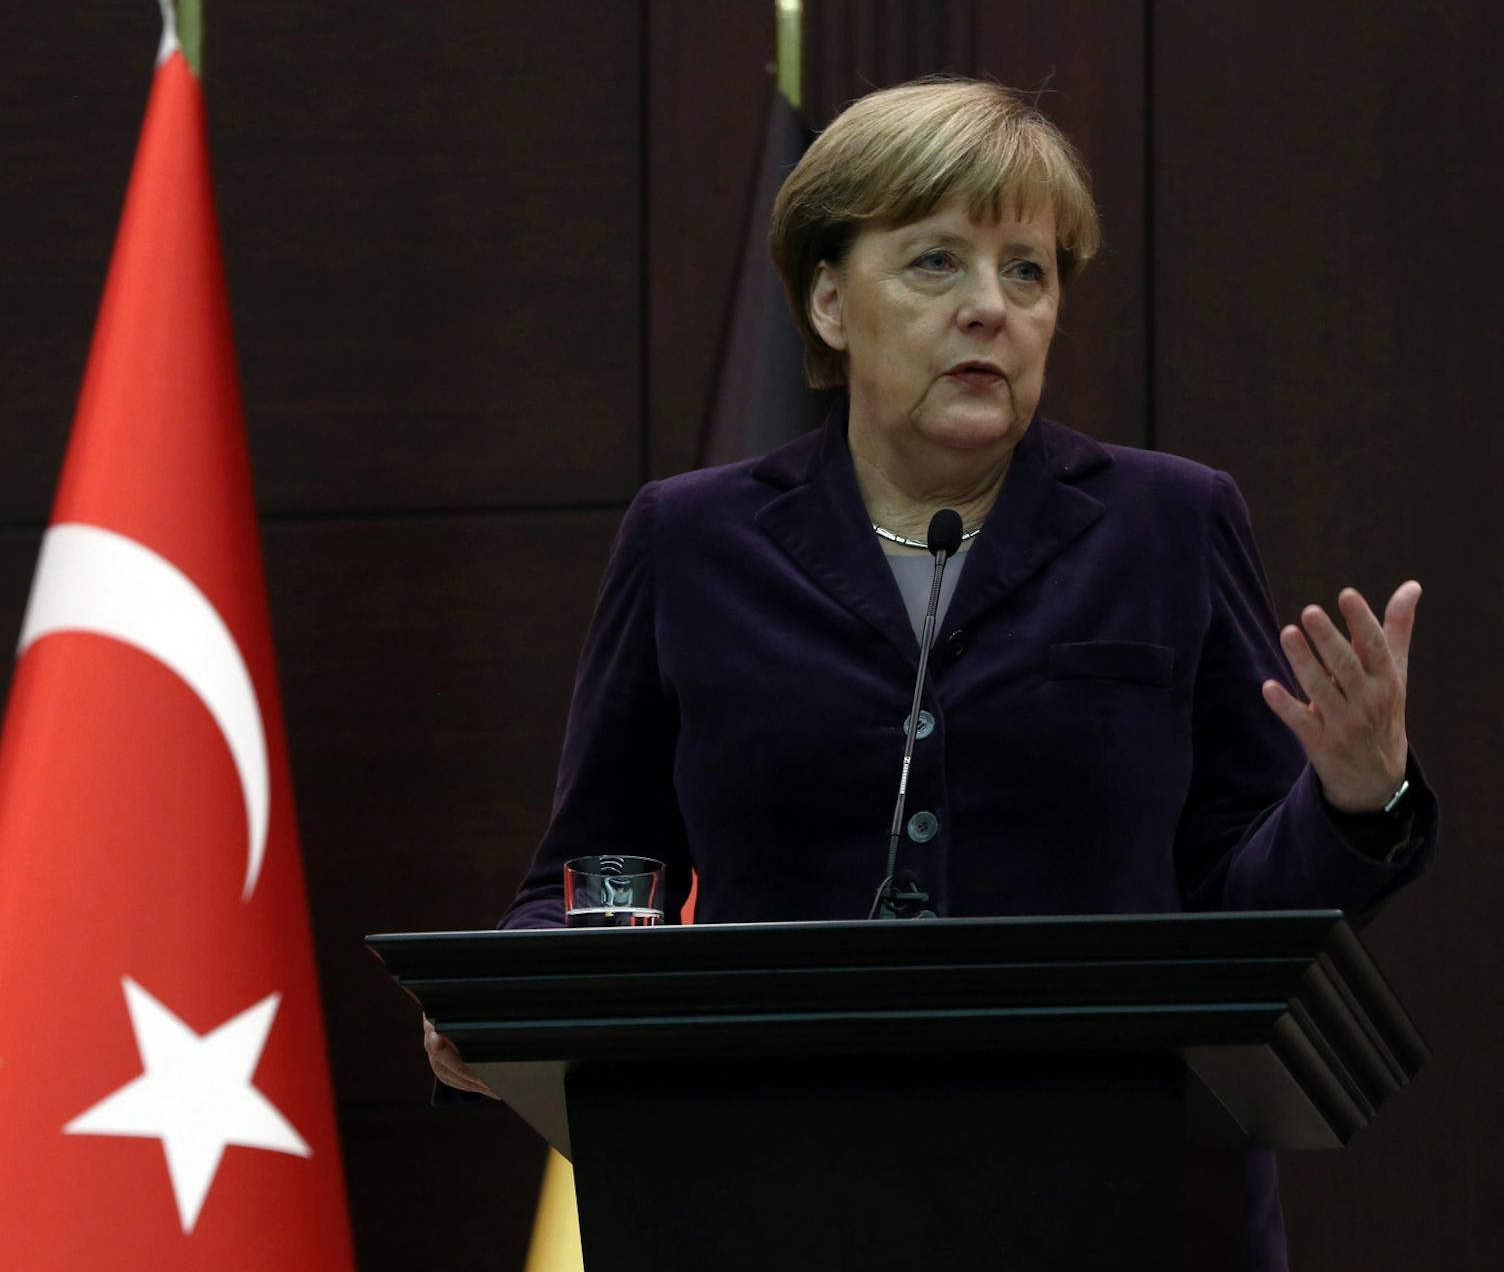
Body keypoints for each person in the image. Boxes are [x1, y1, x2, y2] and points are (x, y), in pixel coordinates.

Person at [421, 77, 1433, 1272]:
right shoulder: (690, 543)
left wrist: (1357, 801)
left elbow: (1241, 910)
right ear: (830, 300)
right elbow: (595, 867)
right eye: (938, 264)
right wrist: (513, 983)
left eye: (1029, 271)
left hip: (1125, 1197)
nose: (991, 309)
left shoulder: (1168, 523)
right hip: (770, 1194)